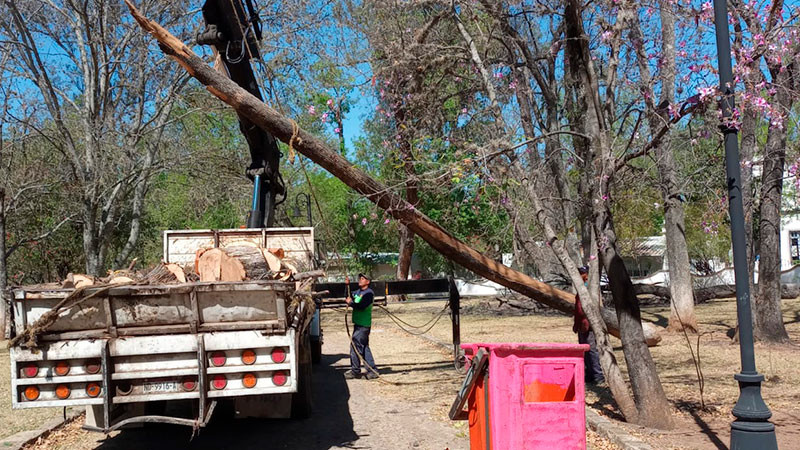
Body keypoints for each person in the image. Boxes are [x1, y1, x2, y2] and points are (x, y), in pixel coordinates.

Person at [574, 266, 605, 385]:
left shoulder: (589, 288)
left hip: (589, 324)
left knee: (592, 350)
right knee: (584, 350)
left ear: (586, 275)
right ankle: (589, 374)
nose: (580, 276)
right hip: (581, 325)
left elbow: (585, 309)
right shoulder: (580, 288)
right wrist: (576, 324)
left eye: (582, 273)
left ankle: (598, 375)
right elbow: (577, 309)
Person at [344, 273, 379, 380]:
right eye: (360, 278)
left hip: (363, 325)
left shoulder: (369, 294)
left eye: (363, 278)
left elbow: (361, 306)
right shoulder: (358, 292)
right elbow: (349, 296)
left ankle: (355, 371)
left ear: (367, 282)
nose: (360, 280)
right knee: (364, 348)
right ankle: (372, 371)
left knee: (355, 347)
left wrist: (351, 304)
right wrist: (347, 286)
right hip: (358, 324)